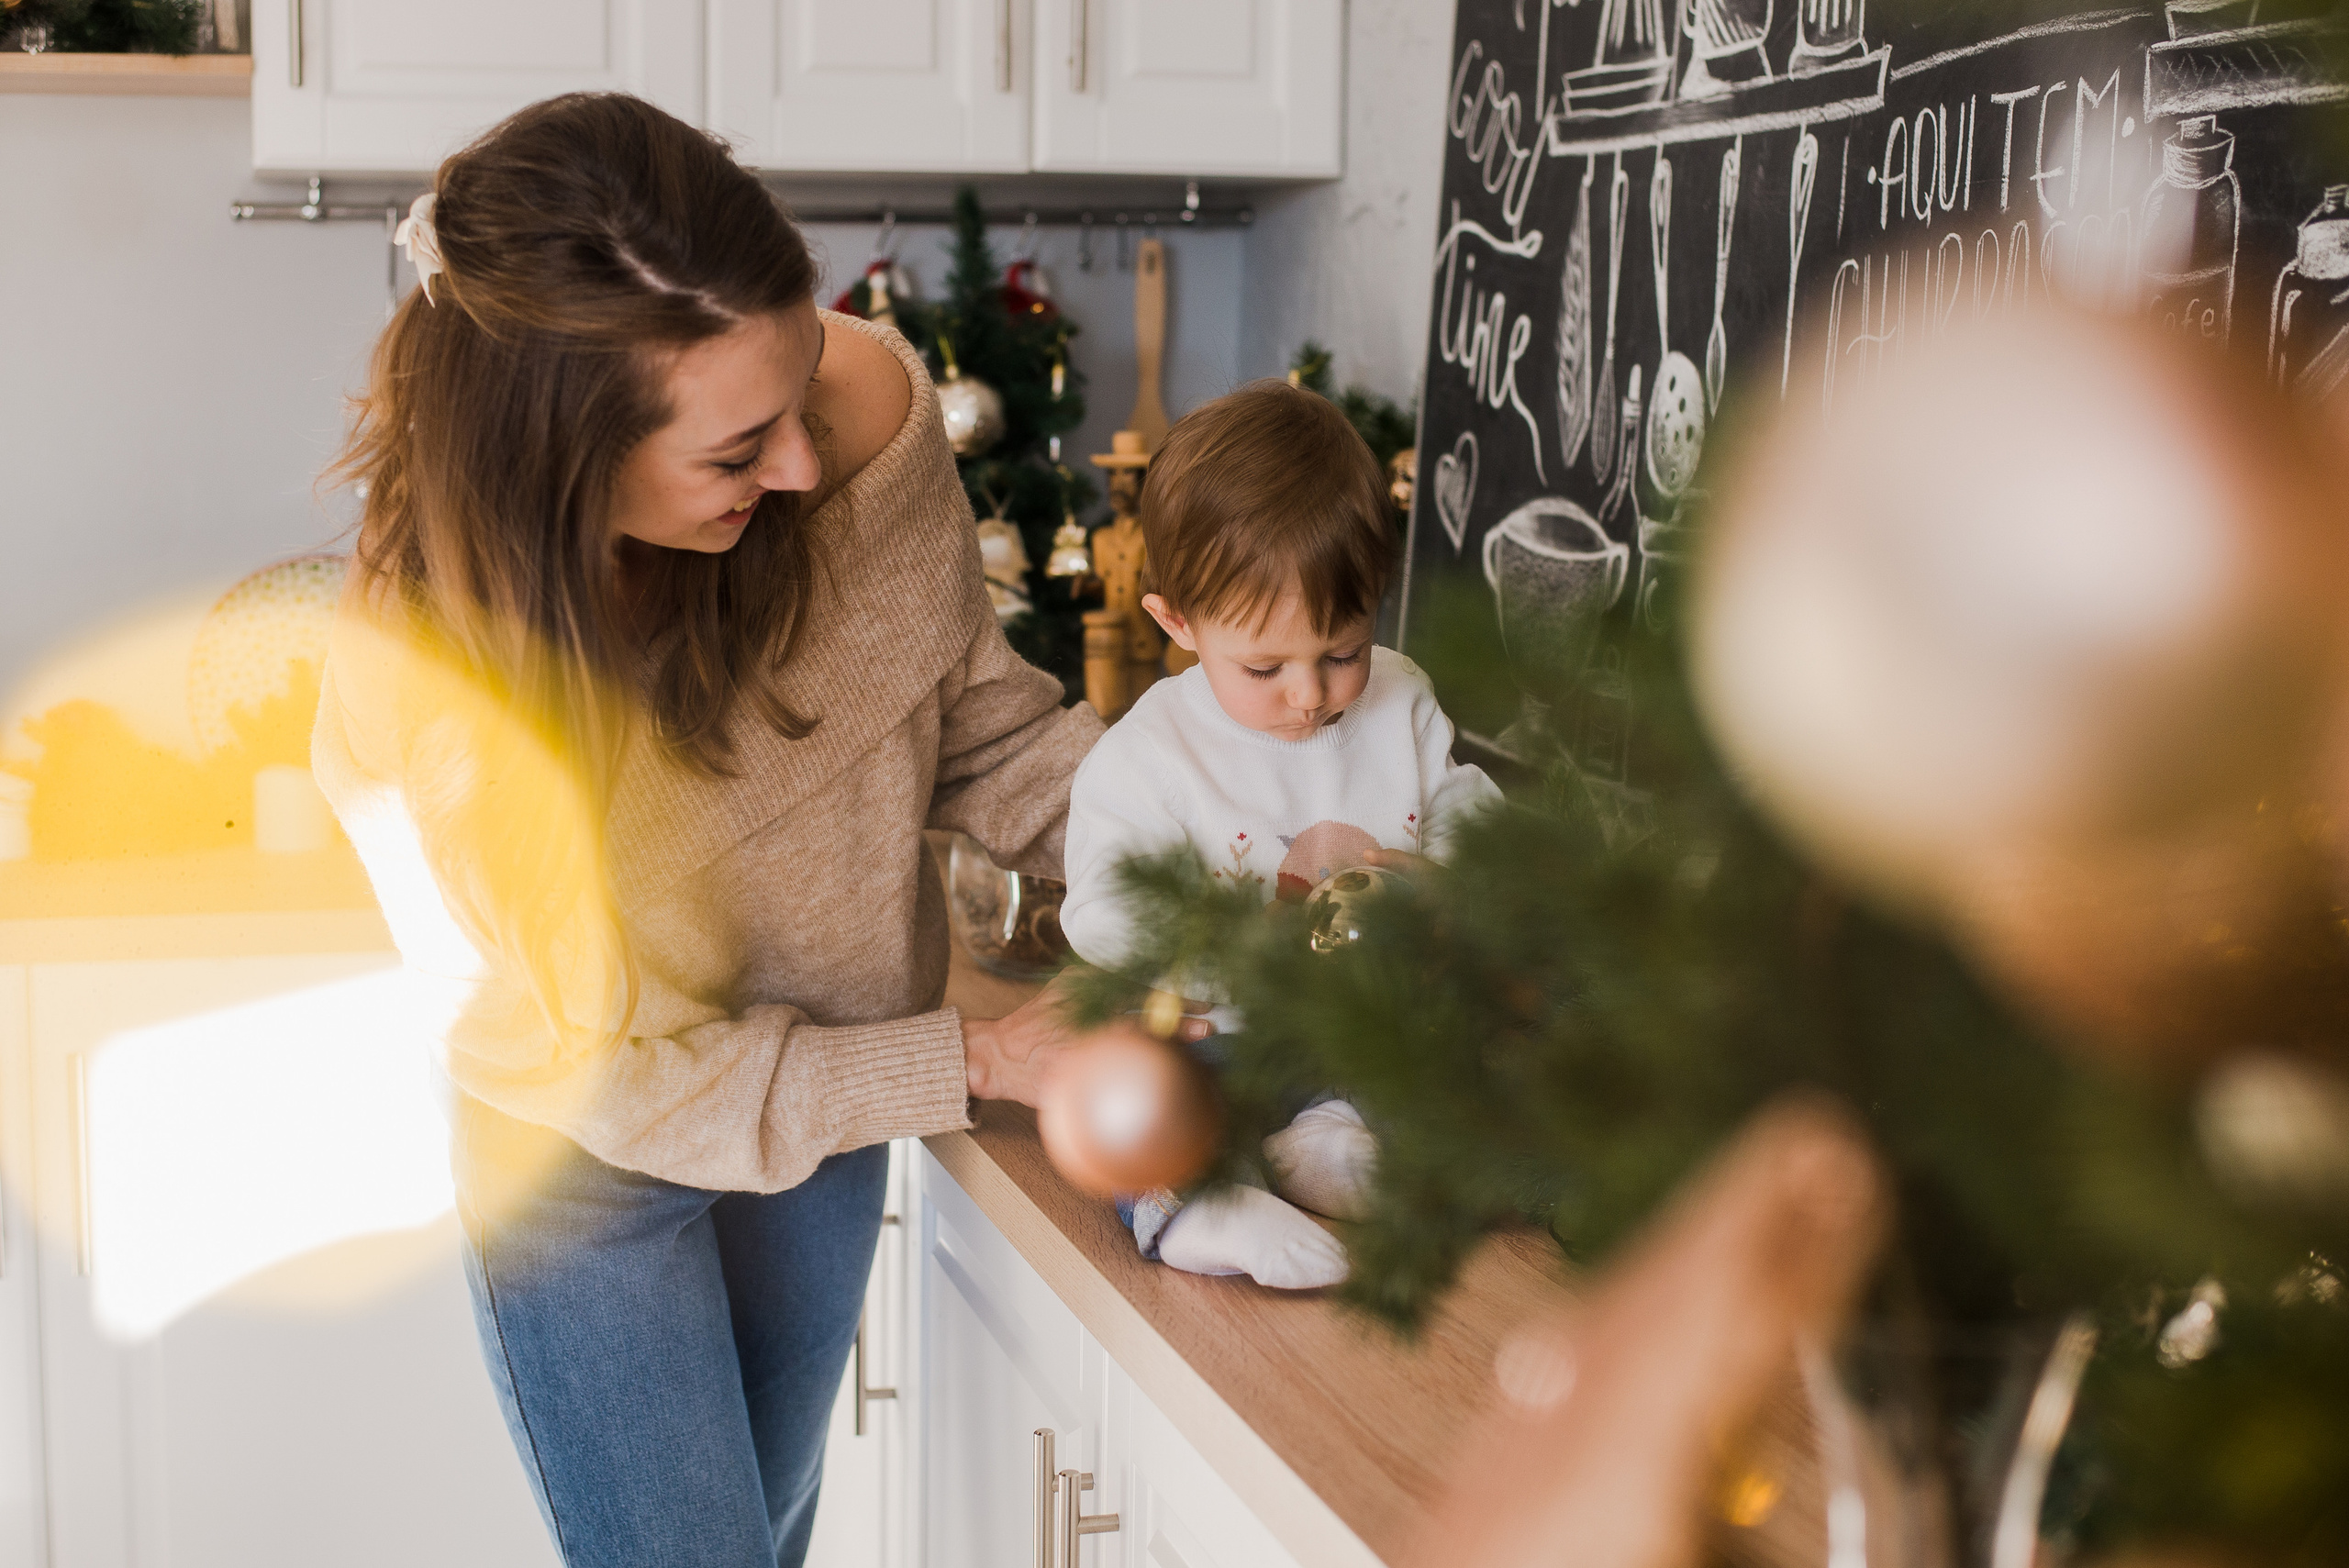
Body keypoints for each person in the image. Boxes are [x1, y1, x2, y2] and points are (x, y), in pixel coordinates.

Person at [311, 93, 1111, 1568]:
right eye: (741, 451)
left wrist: (1226, 831)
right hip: (587, 1158)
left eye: (800, 384)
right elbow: (595, 1071)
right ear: (566, 471)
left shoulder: (860, 434)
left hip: (823, 1117)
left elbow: (975, 731)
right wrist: (980, 1057)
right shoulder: (431, 698)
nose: (802, 464)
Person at [1057, 381, 1502, 1289]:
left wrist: (1446, 879)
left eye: (1341, 651)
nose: (1309, 694)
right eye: (1263, 665)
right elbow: (1102, 908)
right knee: (1136, 1096)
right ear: (1177, 623)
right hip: (1215, 1038)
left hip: (1367, 1024)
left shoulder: (1399, 697)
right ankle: (1196, 1211)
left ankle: (1329, 1144)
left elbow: (1467, 813)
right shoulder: (1150, 754)